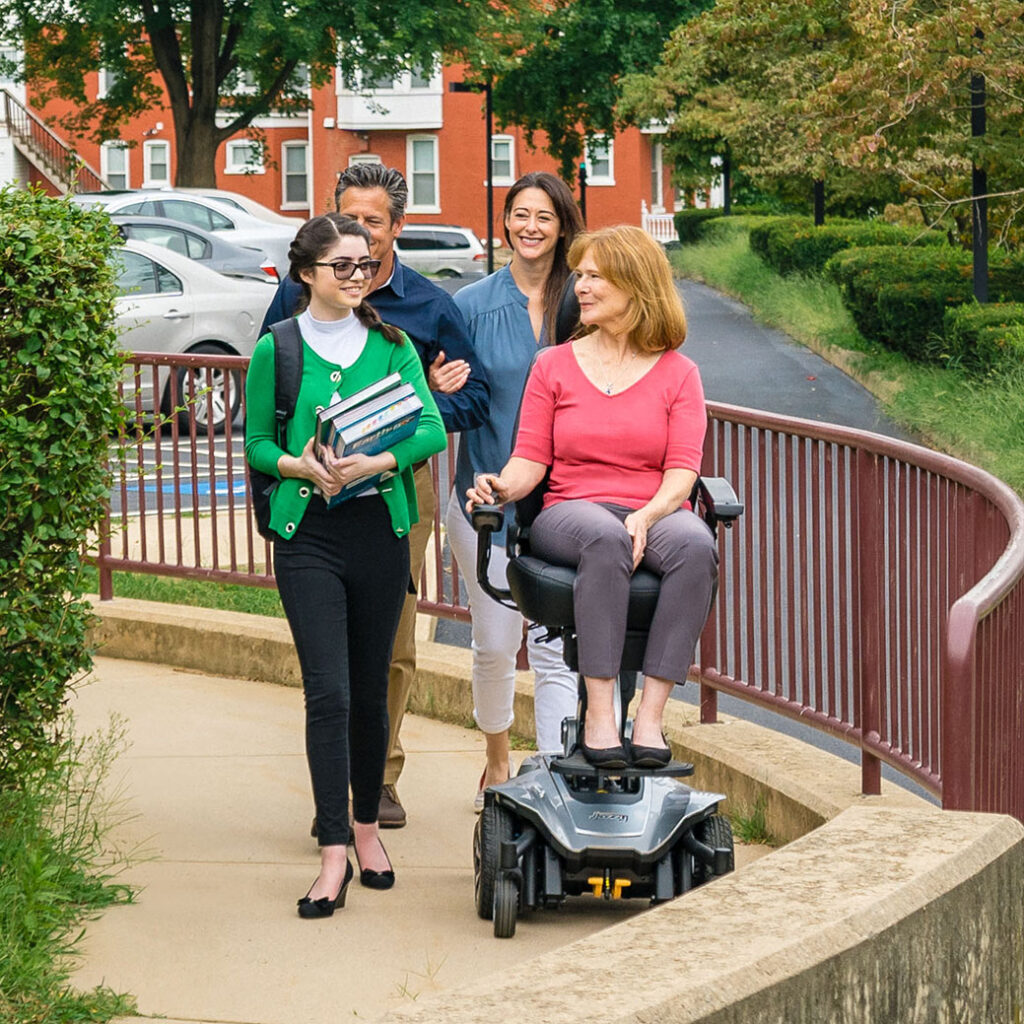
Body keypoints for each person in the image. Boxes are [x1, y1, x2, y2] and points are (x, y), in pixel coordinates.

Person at [261, 164, 488, 829]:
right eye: (348, 220)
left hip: (395, 483)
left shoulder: (428, 306)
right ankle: (334, 789)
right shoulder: (296, 293)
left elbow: (473, 397)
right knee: (327, 649)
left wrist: (431, 403)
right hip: (315, 481)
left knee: (388, 639)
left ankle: (379, 780)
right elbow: (269, 374)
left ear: (398, 227)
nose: (359, 237)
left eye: (374, 223)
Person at [245, 214, 445, 917]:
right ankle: (333, 850)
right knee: (327, 694)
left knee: (365, 692)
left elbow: (429, 427)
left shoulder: (392, 345)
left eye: (366, 265)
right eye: (343, 267)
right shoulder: (279, 348)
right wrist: (299, 464)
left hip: (379, 533)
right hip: (309, 536)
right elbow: (258, 446)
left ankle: (366, 829)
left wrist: (380, 461)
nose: (358, 277)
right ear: (307, 274)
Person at [465, 224, 719, 770]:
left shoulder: (680, 374)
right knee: (604, 536)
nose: (580, 286)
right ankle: (601, 715)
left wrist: (649, 515)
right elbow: (530, 458)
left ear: (635, 286)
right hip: (570, 510)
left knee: (696, 544)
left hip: (651, 508)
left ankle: (649, 718)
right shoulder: (553, 365)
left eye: (596, 276)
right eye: (579, 274)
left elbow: (682, 470)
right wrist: (502, 486)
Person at [446, 172, 584, 809]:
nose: (531, 227)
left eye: (544, 216)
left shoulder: (585, 302)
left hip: (566, 507)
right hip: (486, 502)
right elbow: (446, 399)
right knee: (497, 642)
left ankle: (553, 773)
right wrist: (438, 385)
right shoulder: (470, 306)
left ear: (562, 227)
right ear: (504, 223)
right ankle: (497, 760)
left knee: (556, 649)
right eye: (519, 214)